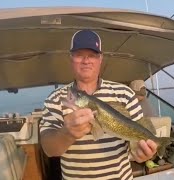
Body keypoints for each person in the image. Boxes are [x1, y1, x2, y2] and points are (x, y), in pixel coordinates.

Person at [39, 30, 157, 180]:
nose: (86, 60)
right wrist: (67, 133)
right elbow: (49, 149)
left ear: (100, 59)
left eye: (93, 55)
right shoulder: (55, 99)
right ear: (71, 58)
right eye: (79, 54)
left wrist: (142, 155)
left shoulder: (125, 94)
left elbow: (136, 145)